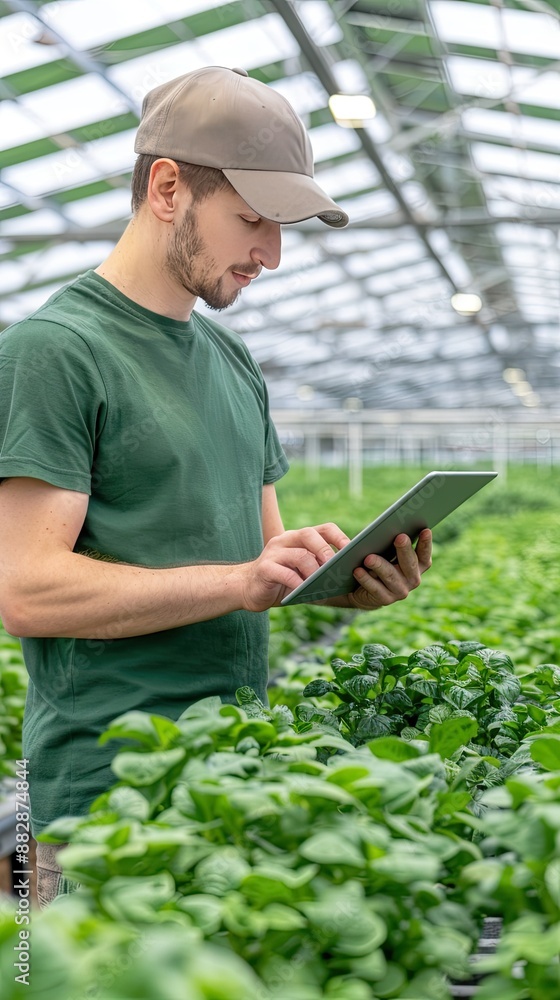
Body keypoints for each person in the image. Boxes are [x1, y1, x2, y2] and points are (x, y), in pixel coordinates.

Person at [0, 66, 432, 907]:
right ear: (168, 189)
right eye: (251, 221)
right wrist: (240, 582)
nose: (271, 253)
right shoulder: (55, 350)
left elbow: (261, 566)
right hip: (105, 804)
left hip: (233, 783)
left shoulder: (231, 360)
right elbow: (25, 589)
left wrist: (335, 583)